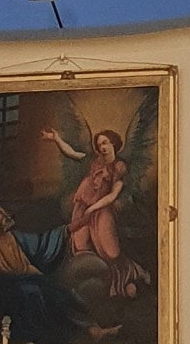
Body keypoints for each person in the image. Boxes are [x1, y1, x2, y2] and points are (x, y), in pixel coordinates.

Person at [0, 205, 118, 344]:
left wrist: (71, 228)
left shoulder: (15, 238)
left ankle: (91, 329)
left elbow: (41, 242)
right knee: (33, 292)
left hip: (26, 281)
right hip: (4, 292)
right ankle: (52, 339)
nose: (5, 215)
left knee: (55, 288)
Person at [43, 124, 151, 298]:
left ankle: (133, 273)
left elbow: (113, 195)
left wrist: (93, 208)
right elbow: (73, 153)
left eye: (105, 143)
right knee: (80, 247)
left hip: (101, 210)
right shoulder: (94, 160)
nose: (102, 147)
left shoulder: (119, 166)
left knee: (110, 252)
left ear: (113, 143)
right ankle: (93, 285)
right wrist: (57, 139)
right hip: (82, 208)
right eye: (99, 144)